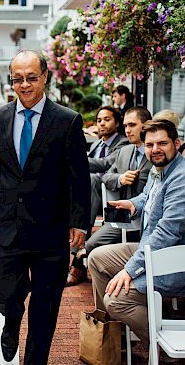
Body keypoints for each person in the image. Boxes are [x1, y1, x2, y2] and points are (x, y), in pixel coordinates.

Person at [0, 50, 91, 363]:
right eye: (18, 79)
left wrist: (80, 222)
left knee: (45, 305)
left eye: (32, 77)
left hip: (51, 228)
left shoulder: (67, 121)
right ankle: (11, 320)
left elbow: (79, 177)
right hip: (7, 224)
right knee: (6, 292)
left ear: (45, 76)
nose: (25, 85)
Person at [88, 119, 185, 344]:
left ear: (177, 143)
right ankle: (116, 335)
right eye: (150, 145)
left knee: (116, 300)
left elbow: (167, 232)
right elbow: (148, 196)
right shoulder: (158, 168)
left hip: (176, 262)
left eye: (162, 143)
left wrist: (129, 270)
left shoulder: (182, 178)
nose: (155, 150)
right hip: (151, 250)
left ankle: (159, 343)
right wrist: (134, 204)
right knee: (96, 258)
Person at [66, 107, 152, 286]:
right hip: (120, 215)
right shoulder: (125, 151)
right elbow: (106, 175)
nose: (128, 130)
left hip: (145, 217)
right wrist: (120, 178)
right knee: (91, 245)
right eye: (126, 125)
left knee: (92, 247)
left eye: (132, 125)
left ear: (146, 126)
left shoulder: (155, 153)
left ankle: (82, 265)